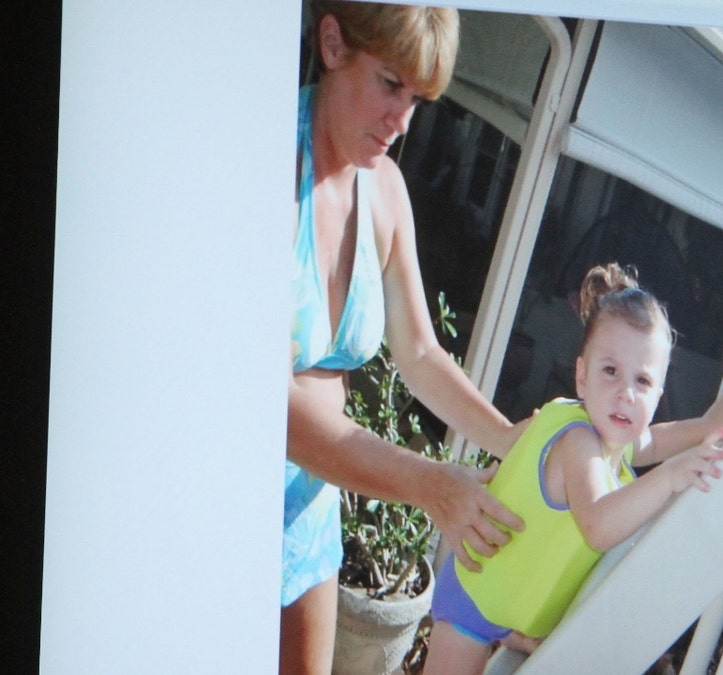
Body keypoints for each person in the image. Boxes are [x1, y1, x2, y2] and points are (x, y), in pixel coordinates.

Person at [284, 3, 526, 673]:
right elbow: (266, 404)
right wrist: (433, 484)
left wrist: (517, 447)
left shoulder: (386, 191)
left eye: (418, 99)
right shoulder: (262, 159)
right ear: (332, 43)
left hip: (307, 516)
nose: (403, 120)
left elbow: (420, 354)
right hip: (218, 495)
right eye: (391, 83)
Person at [423, 263, 723, 675]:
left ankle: (512, 631)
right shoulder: (579, 442)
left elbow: (655, 441)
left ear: (658, 394)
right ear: (582, 376)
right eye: (611, 372)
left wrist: (704, 427)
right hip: (475, 597)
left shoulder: (616, 440)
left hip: (510, 601)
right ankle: (506, 630)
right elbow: (598, 524)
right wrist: (670, 476)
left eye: (642, 381)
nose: (625, 394)